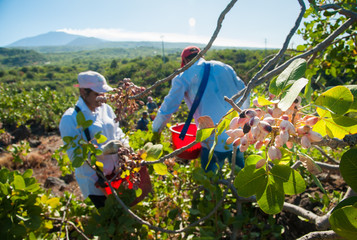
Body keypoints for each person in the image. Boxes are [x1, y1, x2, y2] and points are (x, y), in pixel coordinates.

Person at [152, 46, 250, 173]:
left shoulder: (183, 76)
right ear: (201, 55)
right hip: (237, 133)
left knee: (211, 183)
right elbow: (245, 91)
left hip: (212, 138)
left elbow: (168, 107)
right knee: (241, 177)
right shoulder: (224, 67)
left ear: (185, 62)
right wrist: (245, 122)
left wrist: (156, 130)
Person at [59, 70, 129, 209]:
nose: (102, 98)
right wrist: (103, 151)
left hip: (116, 177)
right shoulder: (70, 118)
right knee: (107, 219)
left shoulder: (106, 109)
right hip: (94, 184)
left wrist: (126, 147)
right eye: (97, 94)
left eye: (103, 94)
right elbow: (75, 157)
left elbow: (118, 132)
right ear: (84, 93)